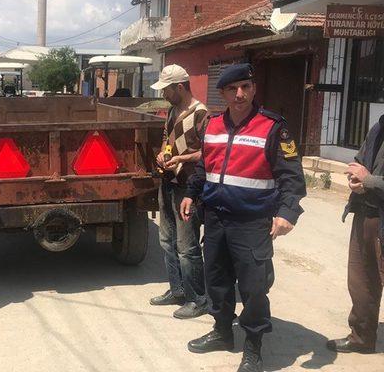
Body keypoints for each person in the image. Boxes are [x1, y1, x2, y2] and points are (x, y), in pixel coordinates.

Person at [179, 63, 306, 372]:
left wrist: (287, 213)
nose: (240, 94)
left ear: (253, 88)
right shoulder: (212, 126)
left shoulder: (273, 126)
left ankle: (253, 347)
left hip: (252, 222)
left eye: (245, 87)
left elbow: (292, 176)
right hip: (217, 219)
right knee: (218, 282)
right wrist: (191, 193)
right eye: (232, 89)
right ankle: (223, 332)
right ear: (222, 93)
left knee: (253, 288)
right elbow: (204, 168)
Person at [149, 64, 209, 319]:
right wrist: (164, 154)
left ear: (180, 87)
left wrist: (184, 159)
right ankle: (177, 289)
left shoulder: (201, 114)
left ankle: (198, 298)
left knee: (187, 246)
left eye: (167, 90)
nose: (163, 94)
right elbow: (166, 138)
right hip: (169, 182)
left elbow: (210, 152)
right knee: (167, 241)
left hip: (188, 187)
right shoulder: (173, 110)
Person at [326, 115, 384, 354]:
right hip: (366, 213)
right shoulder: (379, 126)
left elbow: (366, 174)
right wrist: (354, 179)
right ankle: (362, 337)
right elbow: (359, 162)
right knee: (361, 281)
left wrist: (368, 180)